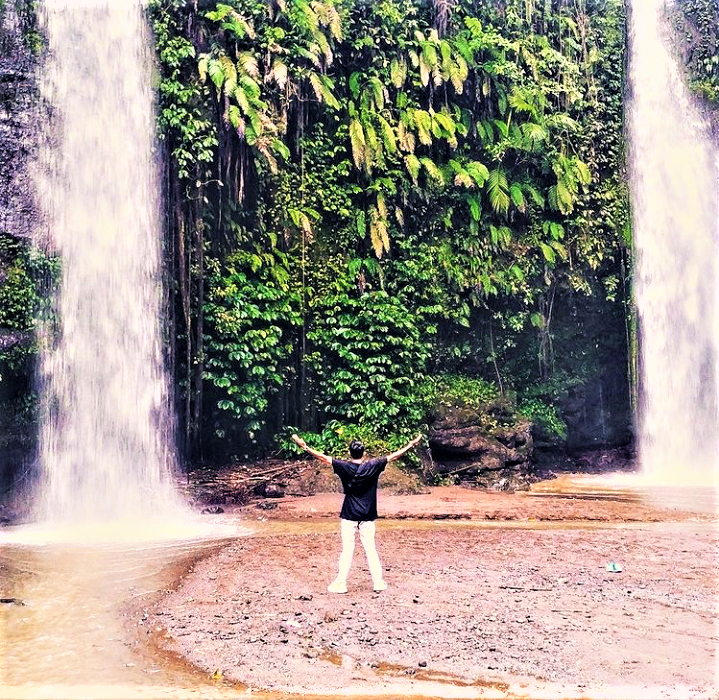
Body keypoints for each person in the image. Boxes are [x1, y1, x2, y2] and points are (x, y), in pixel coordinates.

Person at [291, 432, 423, 593]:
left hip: (349, 514)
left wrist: (304, 446)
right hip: (368, 515)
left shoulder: (343, 466)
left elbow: (323, 457)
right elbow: (394, 456)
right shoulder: (373, 465)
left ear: (350, 453)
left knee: (347, 549)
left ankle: (341, 584)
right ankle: (378, 583)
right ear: (364, 453)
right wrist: (411, 444)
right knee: (371, 549)